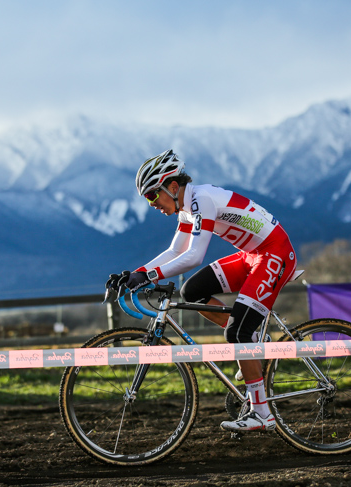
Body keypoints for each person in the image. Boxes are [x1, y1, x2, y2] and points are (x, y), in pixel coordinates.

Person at [106, 149, 298, 433]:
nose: (151, 204)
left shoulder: (200, 200)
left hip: (274, 254)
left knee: (236, 333)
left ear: (172, 187)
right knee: (192, 290)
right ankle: (257, 338)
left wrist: (149, 276)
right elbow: (176, 250)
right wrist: (138, 272)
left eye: (151, 195)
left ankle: (262, 413)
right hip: (252, 255)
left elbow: (195, 256)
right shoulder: (186, 207)